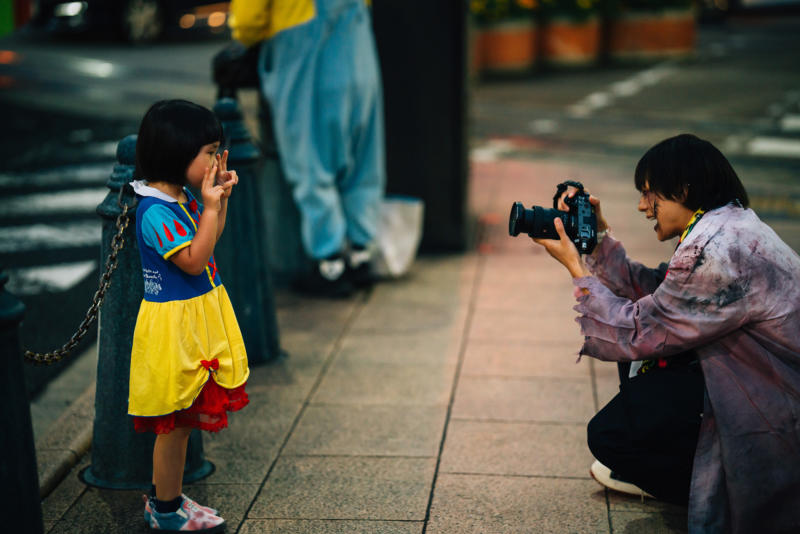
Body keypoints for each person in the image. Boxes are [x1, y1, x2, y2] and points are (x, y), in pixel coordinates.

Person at [531, 134, 800, 533]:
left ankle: (701, 486)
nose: (642, 206)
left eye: (648, 194)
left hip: (775, 408)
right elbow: (660, 293)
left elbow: (638, 330)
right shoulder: (727, 224)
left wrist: (576, 268)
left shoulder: (715, 249)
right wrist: (599, 239)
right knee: (640, 379)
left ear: (683, 190)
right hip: (766, 385)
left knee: (611, 435)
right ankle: (688, 469)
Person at [128, 99, 249, 533]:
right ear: (177, 153)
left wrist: (219, 201)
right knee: (173, 424)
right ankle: (164, 510)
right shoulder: (155, 211)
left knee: (181, 422)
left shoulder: (177, 197)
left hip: (192, 322)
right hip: (172, 330)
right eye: (209, 151)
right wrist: (210, 206)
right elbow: (196, 261)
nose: (217, 160)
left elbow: (208, 240)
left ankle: (170, 500)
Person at [228, 0, 386, 297]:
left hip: (304, 47)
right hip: (358, 40)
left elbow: (248, 19)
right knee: (363, 155)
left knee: (311, 159)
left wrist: (246, 37)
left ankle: (330, 264)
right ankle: (360, 255)